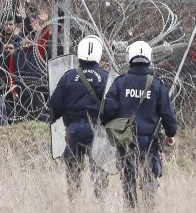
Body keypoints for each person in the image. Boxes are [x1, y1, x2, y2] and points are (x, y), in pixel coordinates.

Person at [101, 41, 177, 209]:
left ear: (130, 58)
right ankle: (149, 207)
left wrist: (109, 125)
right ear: (149, 58)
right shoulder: (157, 84)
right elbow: (167, 114)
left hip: (125, 139)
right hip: (149, 141)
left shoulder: (120, 82)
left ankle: (131, 208)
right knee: (149, 177)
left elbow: (109, 109)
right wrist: (171, 133)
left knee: (129, 178)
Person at [49, 35, 109, 201]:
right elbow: (113, 107)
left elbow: (54, 106)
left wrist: (55, 119)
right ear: (98, 54)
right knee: (98, 172)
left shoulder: (68, 77)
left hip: (74, 130)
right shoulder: (105, 78)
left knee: (73, 172)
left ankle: (74, 203)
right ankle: (99, 203)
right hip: (97, 131)